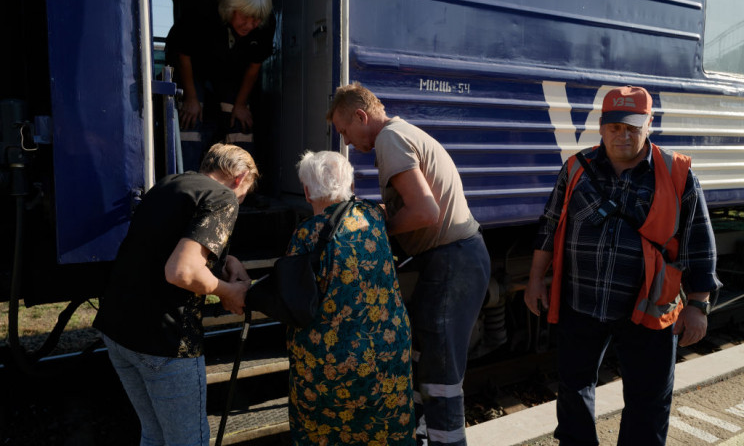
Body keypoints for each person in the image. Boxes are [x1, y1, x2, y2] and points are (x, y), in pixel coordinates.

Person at [524, 86, 722, 446]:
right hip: (581, 301)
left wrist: (697, 305)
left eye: (632, 127)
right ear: (601, 126)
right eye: (615, 126)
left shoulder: (677, 173)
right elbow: (550, 226)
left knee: (647, 402)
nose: (623, 135)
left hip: (648, 307)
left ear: (649, 124)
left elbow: (699, 244)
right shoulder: (576, 168)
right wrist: (535, 280)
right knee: (573, 391)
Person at [327, 83, 490, 446]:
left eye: (344, 131)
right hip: (452, 258)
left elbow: (425, 212)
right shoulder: (404, 133)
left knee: (440, 374)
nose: (348, 142)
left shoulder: (390, 139)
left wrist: (378, 231)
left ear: (360, 115)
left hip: (452, 260)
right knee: (428, 361)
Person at [93, 143, 258, 446]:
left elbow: (167, 243)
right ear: (239, 178)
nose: (240, 202)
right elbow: (181, 272)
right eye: (244, 195)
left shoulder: (170, 184)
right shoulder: (223, 198)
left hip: (117, 331)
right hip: (164, 341)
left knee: (153, 435)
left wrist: (225, 260)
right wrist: (229, 293)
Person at [280, 150, 415, 445]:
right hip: (388, 349)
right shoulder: (374, 216)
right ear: (352, 186)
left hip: (331, 362)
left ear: (306, 192)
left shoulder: (305, 235)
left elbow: (292, 299)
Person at [166, 0, 275, 174]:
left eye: (257, 19)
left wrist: (241, 104)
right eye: (246, 17)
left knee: (241, 122)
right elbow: (183, 54)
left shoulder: (264, 26)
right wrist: (190, 97)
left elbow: (254, 66)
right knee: (190, 117)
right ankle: (186, 181)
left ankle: (241, 187)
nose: (251, 25)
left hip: (230, 72)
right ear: (230, 8)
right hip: (192, 67)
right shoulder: (202, 11)